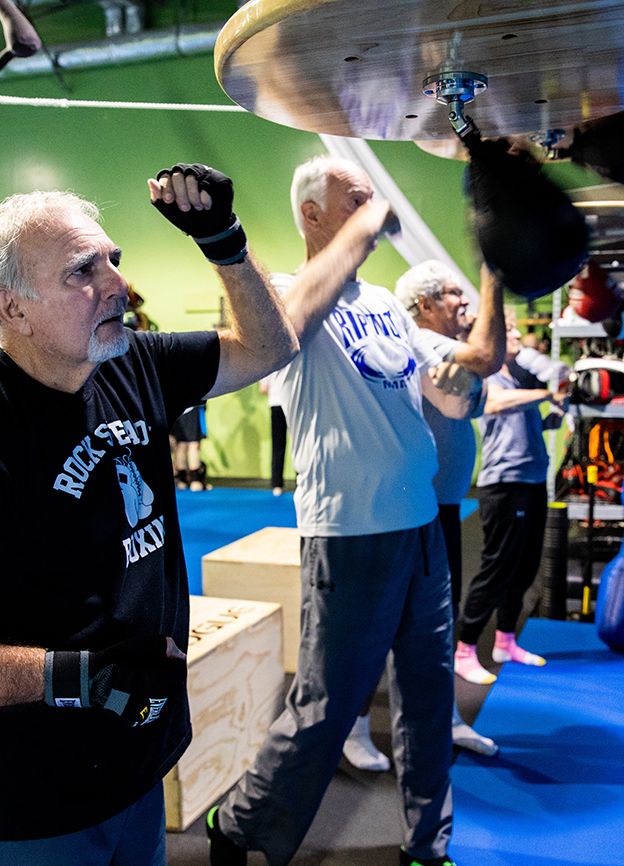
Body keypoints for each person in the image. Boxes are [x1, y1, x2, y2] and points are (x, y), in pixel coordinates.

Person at [0, 164, 297, 865]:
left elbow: (271, 348)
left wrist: (223, 240)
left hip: (135, 765)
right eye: (80, 272)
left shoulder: (130, 364)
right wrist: (73, 677)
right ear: (12, 309)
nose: (117, 285)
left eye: (113, 262)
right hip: (26, 803)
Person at [206, 155, 480, 866]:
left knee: (425, 698)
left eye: (369, 195)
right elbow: (286, 328)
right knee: (325, 710)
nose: (371, 203)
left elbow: (444, 389)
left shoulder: (388, 301)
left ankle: (427, 844)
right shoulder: (284, 294)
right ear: (312, 215)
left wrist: (467, 367)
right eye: (353, 196)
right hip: (349, 535)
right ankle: (239, 825)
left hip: (420, 529)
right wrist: (365, 230)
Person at [393, 258, 507, 757]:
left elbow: (476, 390)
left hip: (443, 506)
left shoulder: (446, 350)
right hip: (415, 508)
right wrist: (495, 276)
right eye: (454, 294)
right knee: (392, 624)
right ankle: (353, 729)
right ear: (425, 305)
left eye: (466, 292)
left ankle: (446, 719)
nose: (465, 302)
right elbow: (480, 367)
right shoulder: (426, 344)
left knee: (437, 621)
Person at [454, 314, 567, 685]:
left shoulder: (520, 375)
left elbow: (526, 419)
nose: (518, 335)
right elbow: (500, 404)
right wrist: (548, 394)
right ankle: (465, 649)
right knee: (497, 569)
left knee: (525, 568)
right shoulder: (485, 377)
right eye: (511, 330)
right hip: (504, 485)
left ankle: (505, 642)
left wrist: (554, 414)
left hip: (533, 481)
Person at [258, 374, 287, 495]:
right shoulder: (296, 358)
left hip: (276, 404)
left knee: (278, 445)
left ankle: (276, 484)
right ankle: (301, 481)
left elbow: (263, 389)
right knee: (299, 443)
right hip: (292, 403)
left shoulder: (270, 360)